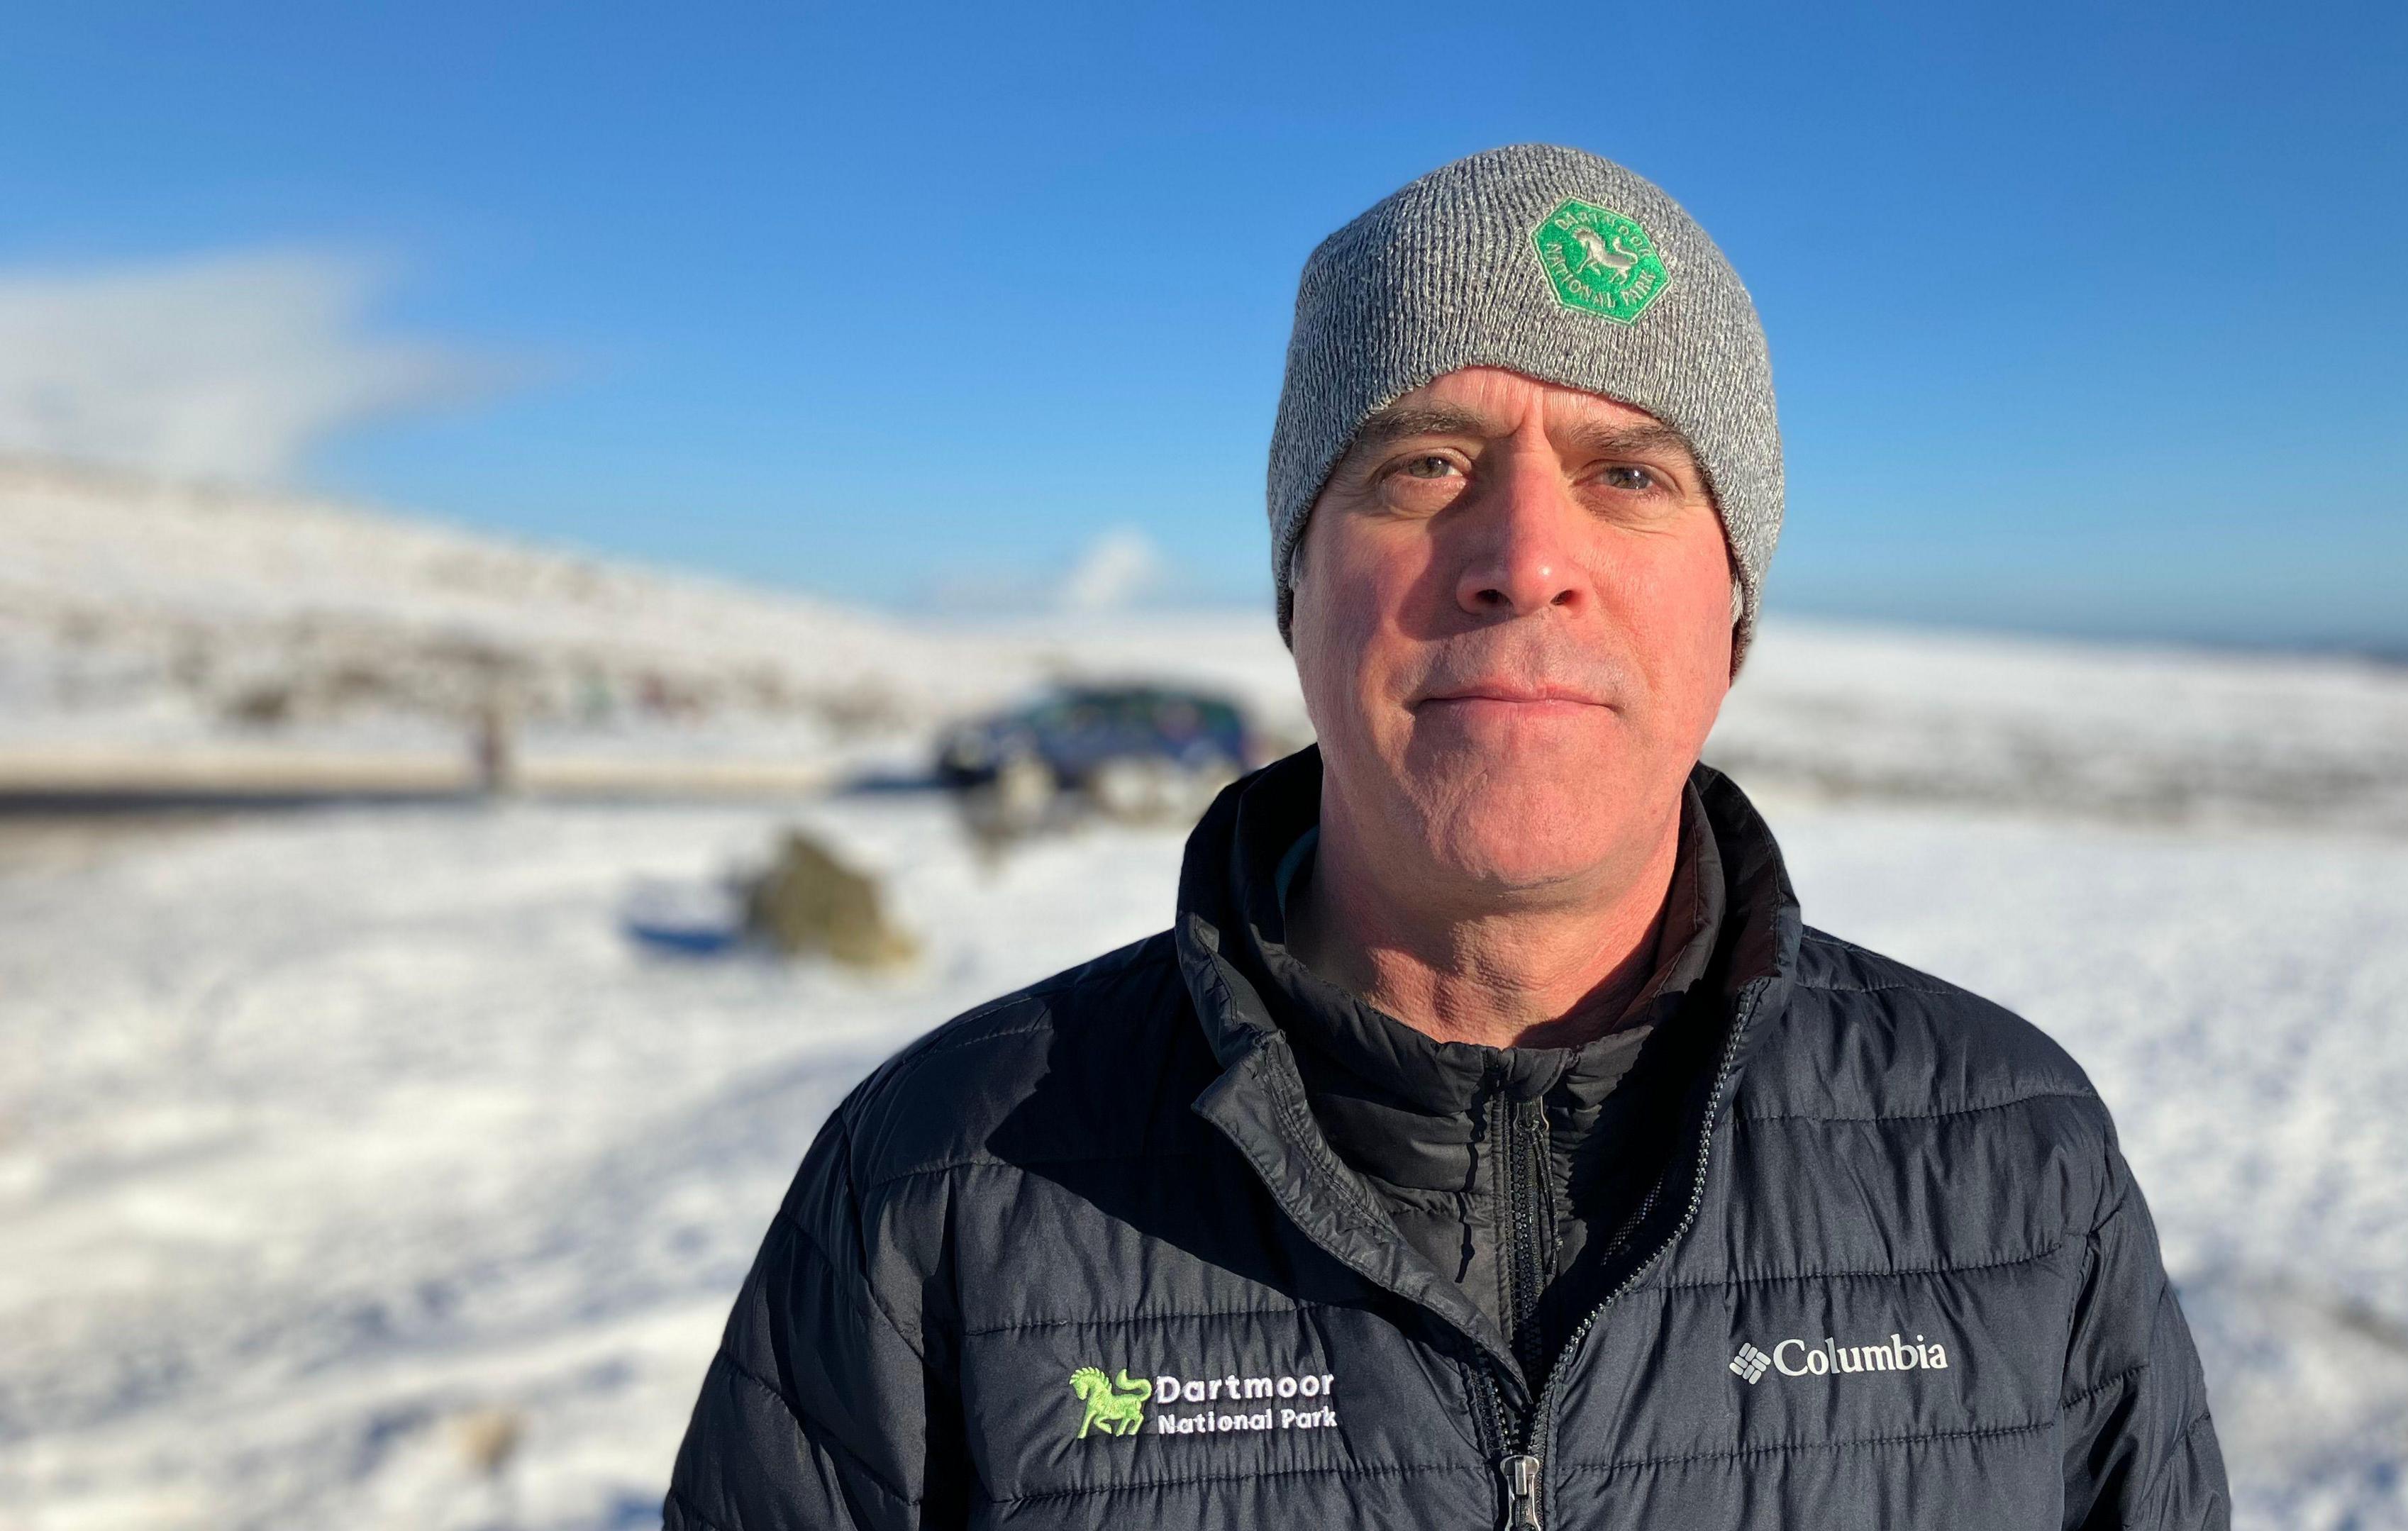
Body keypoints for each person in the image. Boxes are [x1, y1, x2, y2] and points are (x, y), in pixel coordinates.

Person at [665, 144, 2228, 1531]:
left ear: (1731, 614)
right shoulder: (945, 1179)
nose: (1526, 557)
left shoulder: (2014, 1168)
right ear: (1298, 586)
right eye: (1423, 463)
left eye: (1630, 475)